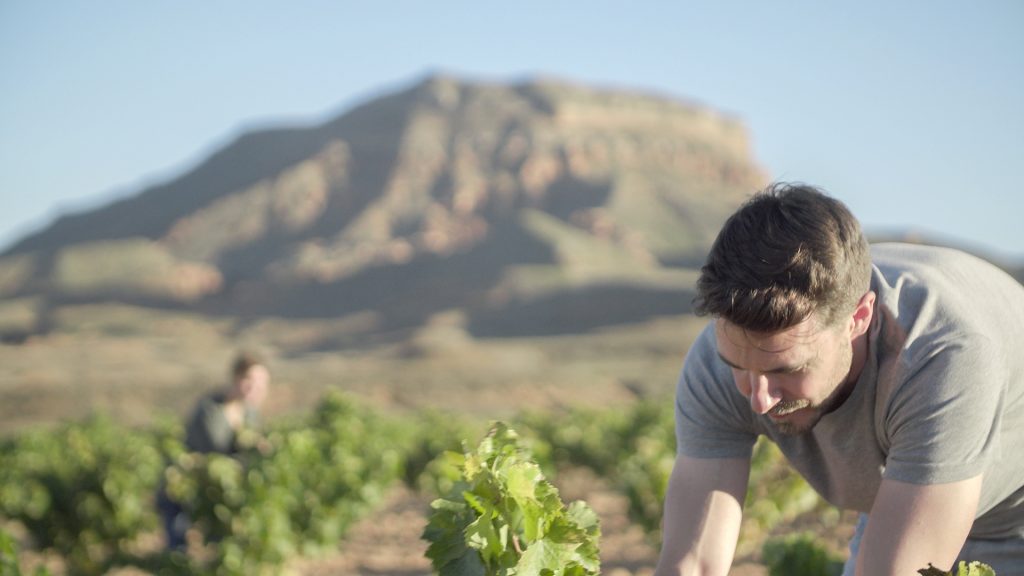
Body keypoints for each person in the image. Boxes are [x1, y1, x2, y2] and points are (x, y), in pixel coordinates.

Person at [654, 183, 1024, 576]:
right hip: (905, 500)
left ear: (858, 319)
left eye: (787, 370)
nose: (759, 398)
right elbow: (691, 565)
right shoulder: (723, 358)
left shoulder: (938, 357)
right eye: (739, 367)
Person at [158, 351, 270, 550]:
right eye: (250, 381)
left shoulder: (250, 412)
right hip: (183, 488)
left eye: (262, 384)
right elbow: (217, 456)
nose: (256, 389)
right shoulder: (210, 410)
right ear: (236, 378)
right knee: (178, 550)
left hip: (213, 489)